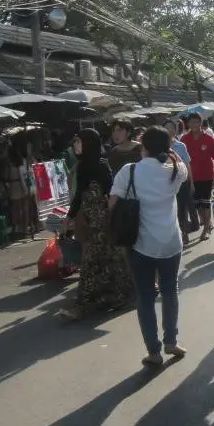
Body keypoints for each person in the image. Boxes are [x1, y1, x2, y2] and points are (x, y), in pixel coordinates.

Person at [111, 127, 188, 366]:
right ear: (168, 146)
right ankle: (171, 341)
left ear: (142, 145)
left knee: (144, 297)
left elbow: (112, 203)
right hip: (170, 242)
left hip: (139, 243)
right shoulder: (177, 169)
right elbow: (177, 164)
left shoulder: (130, 171)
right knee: (170, 292)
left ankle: (153, 351)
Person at [60, 129, 133, 320]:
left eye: (78, 142)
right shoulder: (83, 166)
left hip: (103, 223)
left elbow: (111, 193)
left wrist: (107, 218)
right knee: (102, 261)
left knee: (99, 261)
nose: (75, 146)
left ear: (88, 144)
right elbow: (78, 196)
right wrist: (69, 217)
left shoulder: (101, 166)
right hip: (91, 222)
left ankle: (88, 303)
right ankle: (101, 299)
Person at [181, 113, 214, 241]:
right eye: (191, 122)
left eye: (197, 122)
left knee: (205, 203)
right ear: (188, 124)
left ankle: (206, 229)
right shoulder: (184, 140)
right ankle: (206, 223)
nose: (194, 124)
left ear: (201, 123)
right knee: (197, 205)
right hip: (191, 177)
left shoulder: (209, 139)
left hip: (206, 176)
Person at [164, 119, 194, 244]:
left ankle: (184, 232)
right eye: (167, 127)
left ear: (176, 130)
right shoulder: (159, 145)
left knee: (182, 209)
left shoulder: (180, 146)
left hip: (181, 182)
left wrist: (191, 182)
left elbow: (187, 165)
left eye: (172, 127)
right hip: (165, 184)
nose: (170, 130)